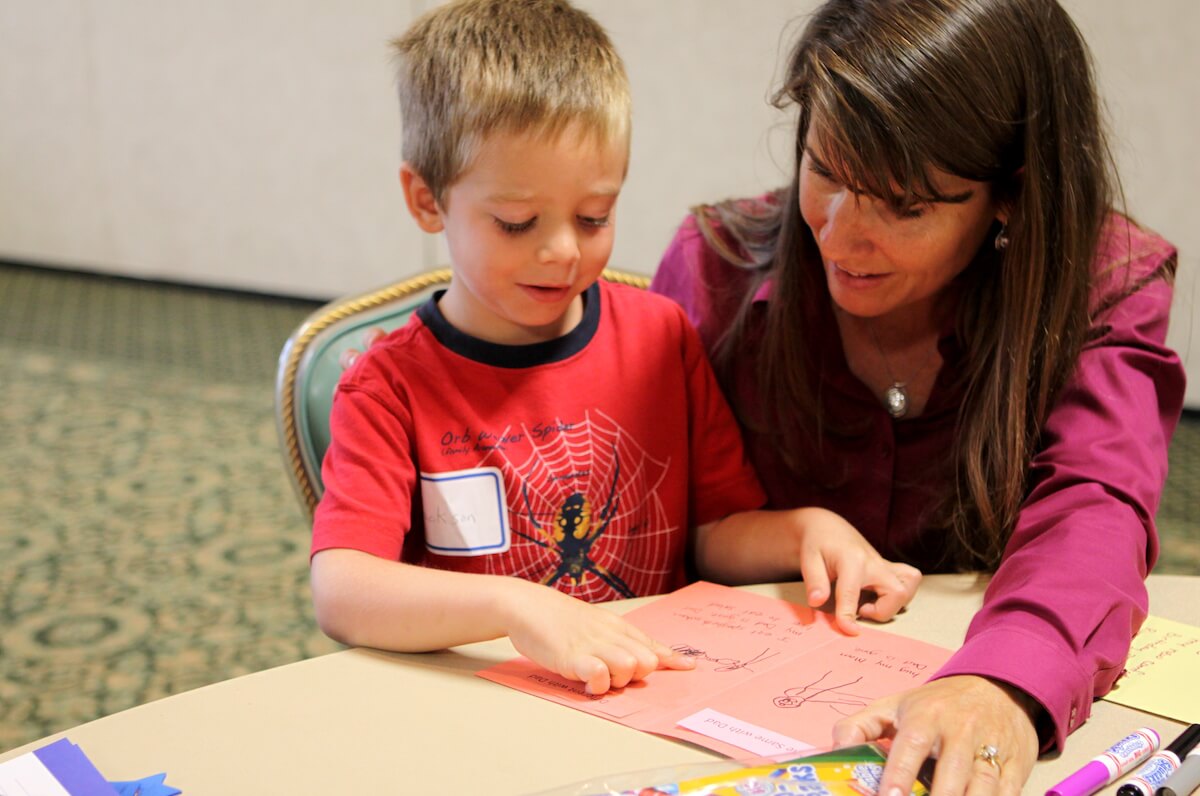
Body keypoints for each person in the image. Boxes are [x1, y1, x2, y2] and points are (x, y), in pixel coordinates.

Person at [310, 0, 920, 701]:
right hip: (480, 706)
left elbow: (711, 534)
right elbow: (343, 588)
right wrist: (518, 606)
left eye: (594, 216)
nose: (564, 250)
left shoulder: (661, 338)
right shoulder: (388, 386)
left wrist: (808, 530)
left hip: (642, 694)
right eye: (516, 223)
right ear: (426, 200)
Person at [650, 0, 1185, 793]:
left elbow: (1095, 504)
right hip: (718, 729)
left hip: (981, 702)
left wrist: (1002, 682)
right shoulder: (715, 268)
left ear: (1010, 196)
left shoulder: (1099, 282)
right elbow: (645, 530)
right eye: (825, 170)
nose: (841, 234)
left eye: (908, 206)